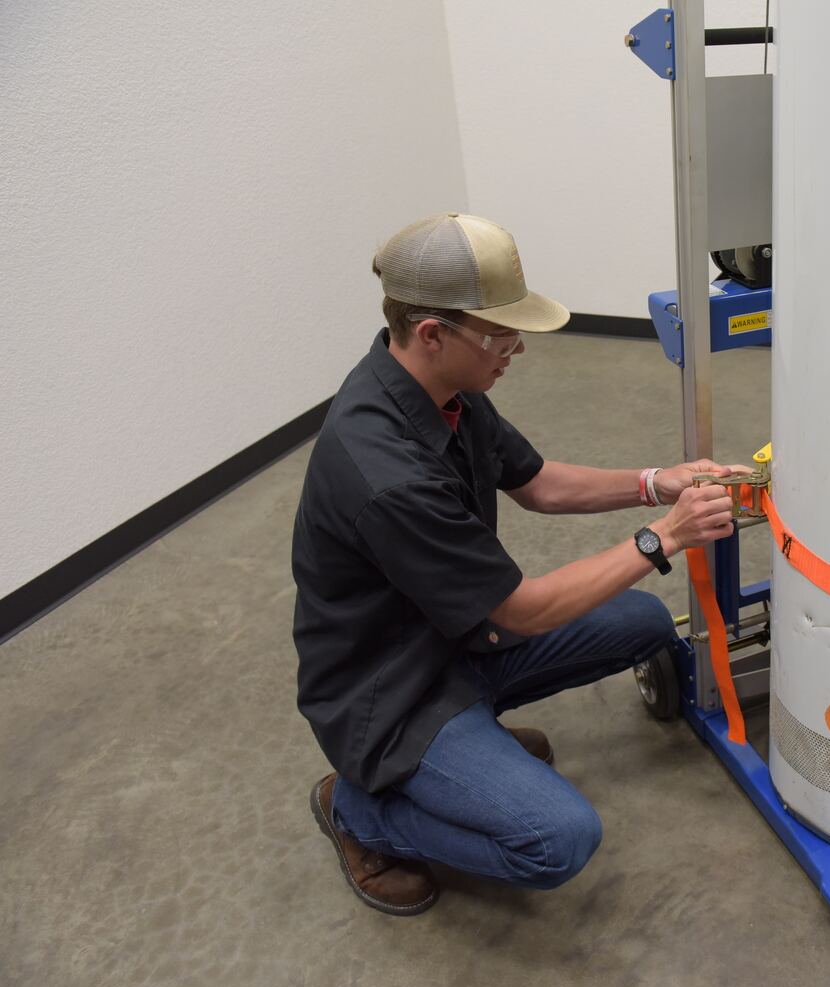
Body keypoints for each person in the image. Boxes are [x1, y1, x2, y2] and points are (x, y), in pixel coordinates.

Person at [292, 212, 740, 916]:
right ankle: (358, 811)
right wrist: (663, 538)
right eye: (500, 335)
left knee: (644, 620)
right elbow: (522, 610)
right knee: (558, 840)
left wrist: (657, 482)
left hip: (454, 638)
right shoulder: (384, 472)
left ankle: (474, 741)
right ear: (432, 333)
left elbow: (538, 484)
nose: (518, 348)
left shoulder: (446, 392)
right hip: (392, 694)